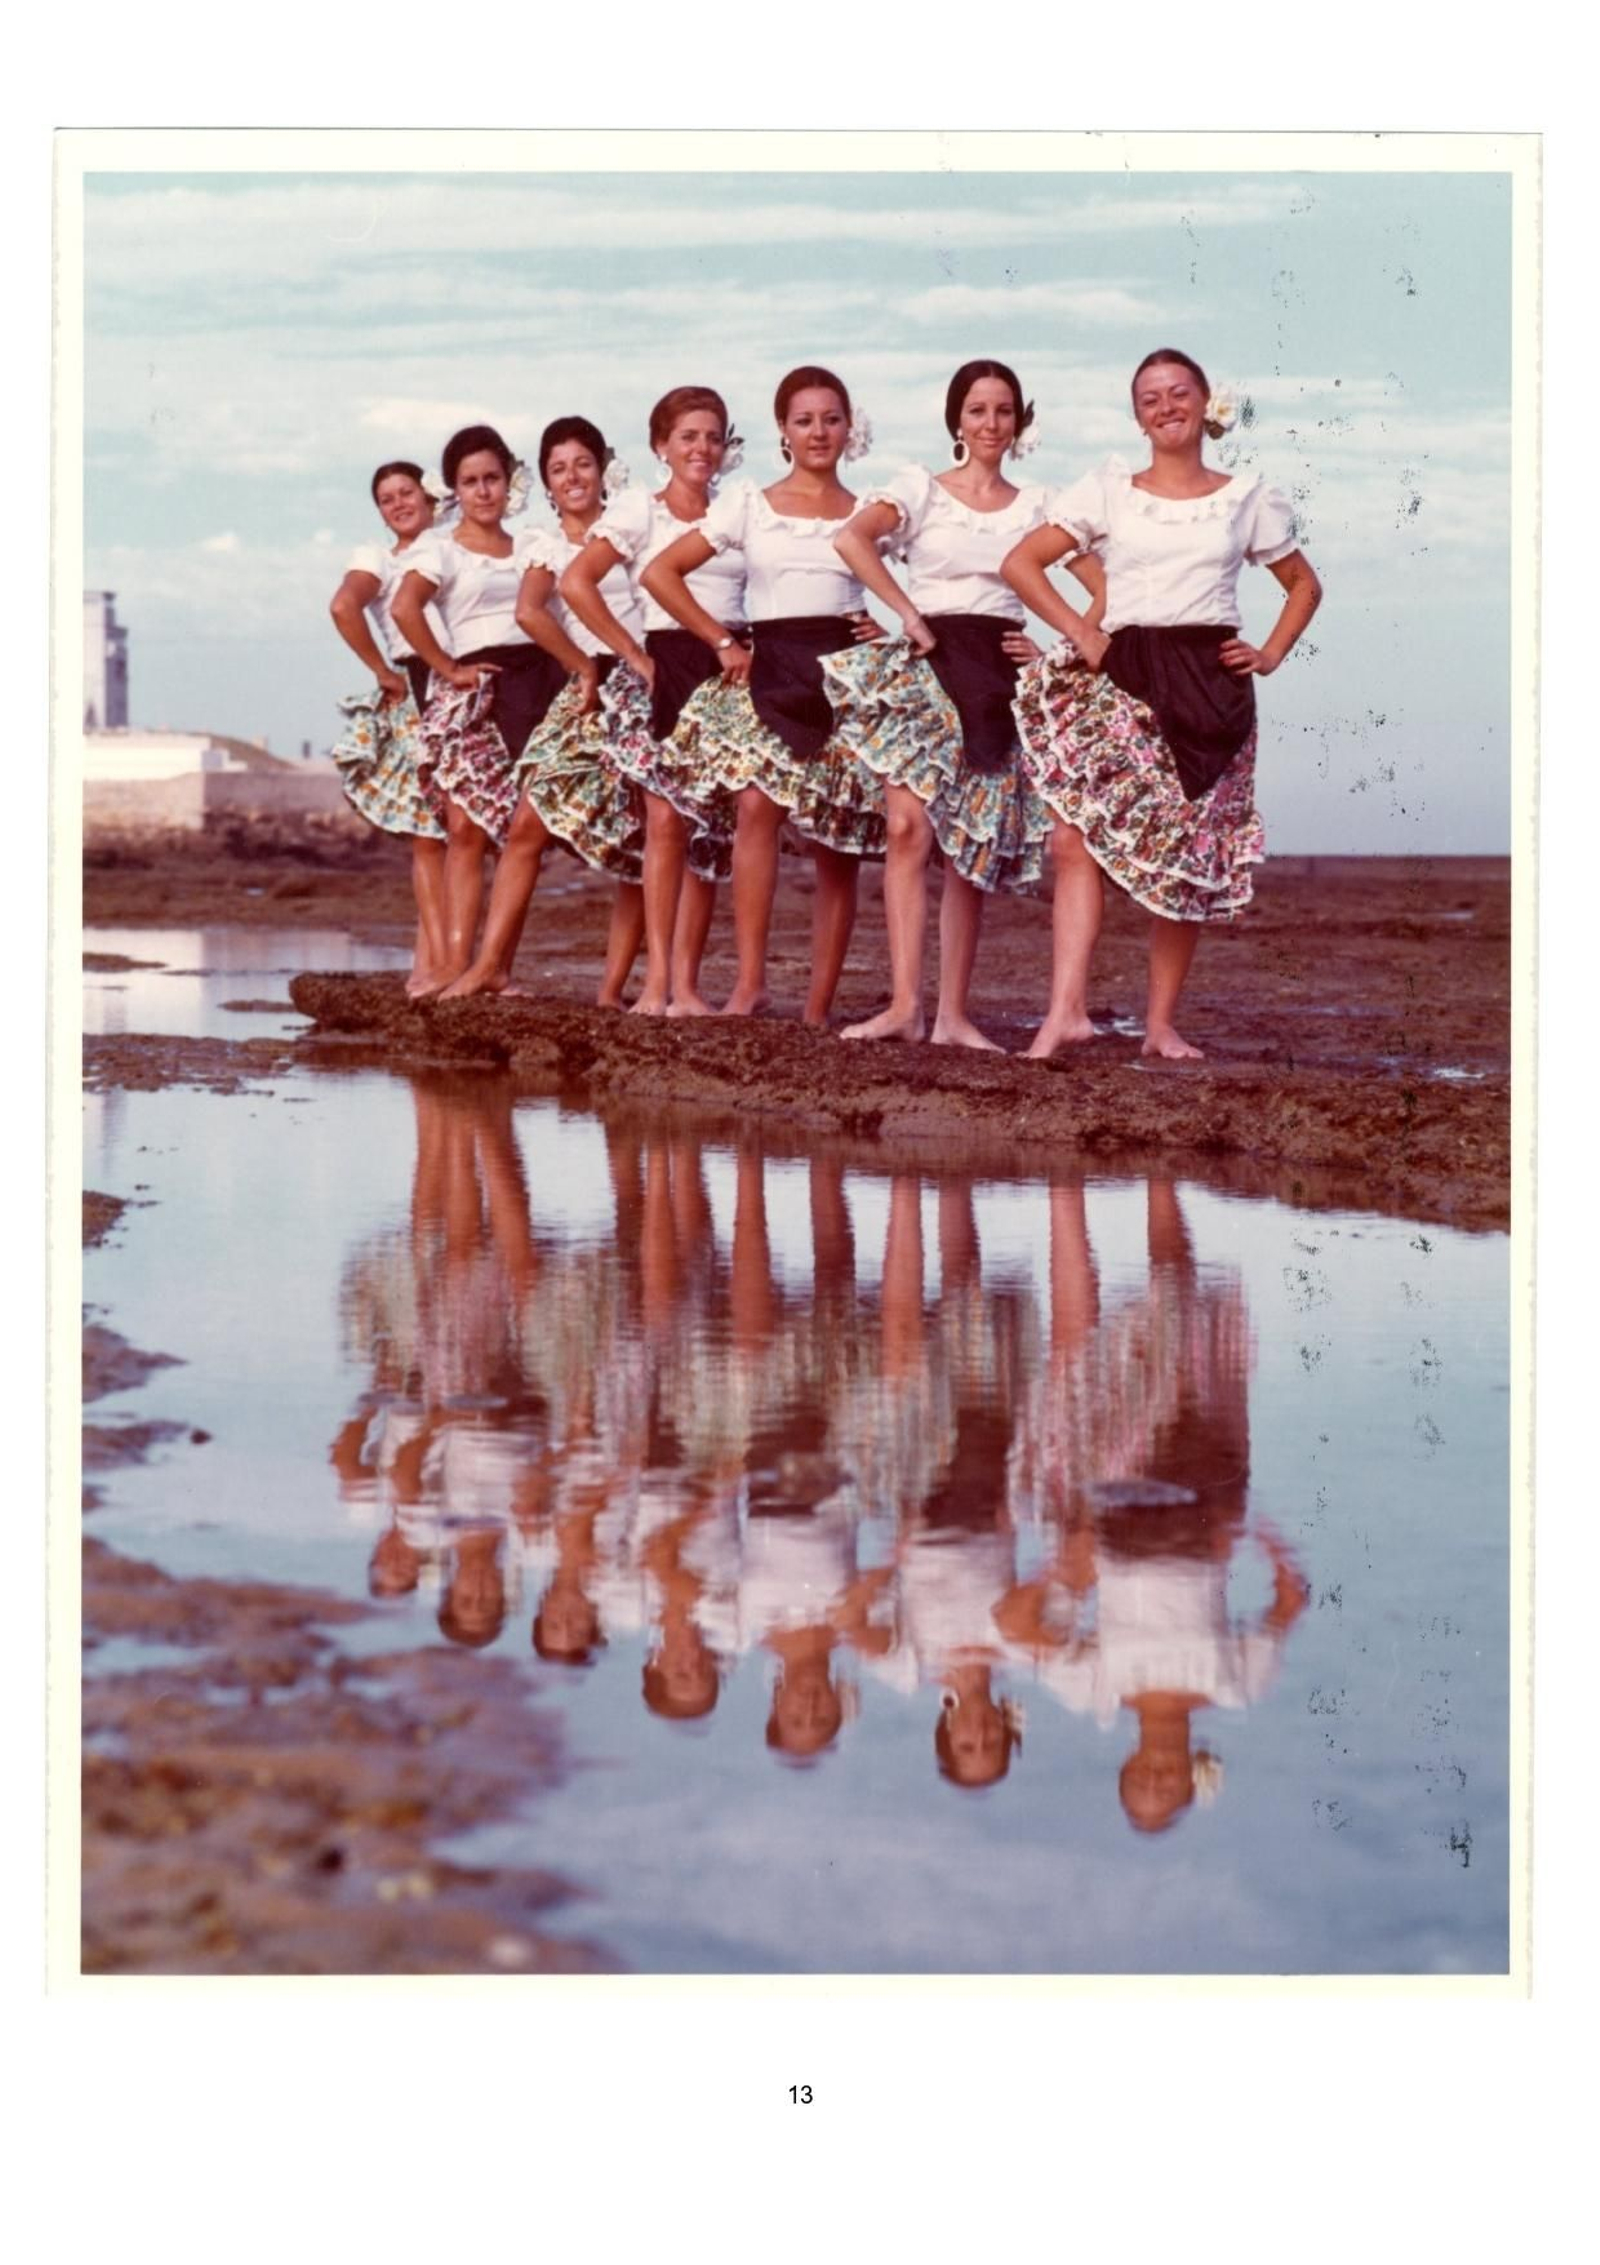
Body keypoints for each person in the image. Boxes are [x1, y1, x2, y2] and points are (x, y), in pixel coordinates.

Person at [1003, 347, 1323, 1060]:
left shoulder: (1248, 496)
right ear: (1137, 414)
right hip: (1122, 667)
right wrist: (1082, 630)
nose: (1166, 405)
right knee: (1071, 837)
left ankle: (1160, 1025)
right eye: (1150, 397)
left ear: (1207, 403)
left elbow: (1304, 585)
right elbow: (1022, 563)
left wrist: (1269, 653)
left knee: (1185, 855)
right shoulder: (1111, 488)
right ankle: (1066, 1013)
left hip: (1209, 680)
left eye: (1180, 392)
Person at [826, 360, 1092, 1048]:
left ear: (1019, 423)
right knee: (908, 829)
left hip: (997, 673)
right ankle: (906, 1005)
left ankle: (952, 1016)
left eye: (1004, 411)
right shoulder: (922, 488)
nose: (991, 424)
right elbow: (852, 538)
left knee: (969, 844)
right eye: (977, 410)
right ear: (956, 420)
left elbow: (1105, 586)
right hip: (927, 661)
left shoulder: (1039, 503)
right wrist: (907, 614)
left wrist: (1060, 648)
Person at [642, 365, 886, 1022]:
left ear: (848, 427)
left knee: (840, 841)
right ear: (783, 430)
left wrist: (889, 625)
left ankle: (817, 1005)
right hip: (771, 666)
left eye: (831, 419)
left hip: (846, 672)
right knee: (755, 805)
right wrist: (721, 641)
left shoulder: (871, 509)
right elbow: (661, 573)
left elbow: (940, 579)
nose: (819, 432)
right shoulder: (750, 501)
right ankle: (750, 984)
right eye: (804, 420)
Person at [434, 417, 647, 1003]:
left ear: (603, 467)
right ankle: (489, 967)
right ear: (546, 484)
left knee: (642, 836)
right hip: (586, 688)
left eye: (582, 463)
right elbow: (530, 613)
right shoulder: (541, 544)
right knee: (527, 824)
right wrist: (582, 666)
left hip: (649, 680)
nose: (573, 476)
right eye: (558, 468)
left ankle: (611, 989)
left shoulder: (635, 523)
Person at [559, 387, 744, 1016]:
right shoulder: (641, 510)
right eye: (688, 436)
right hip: (664, 666)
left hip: (726, 675)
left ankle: (688, 987)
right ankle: (658, 982)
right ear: (661, 446)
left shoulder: (736, 510)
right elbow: (575, 582)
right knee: (664, 823)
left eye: (713, 436)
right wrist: (634, 657)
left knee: (708, 829)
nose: (702, 448)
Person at [391, 424, 567, 995]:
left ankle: (496, 968)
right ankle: (452, 965)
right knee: (465, 828)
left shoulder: (534, 544)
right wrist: (446, 668)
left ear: (508, 482)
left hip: (535, 685)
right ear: (454, 490)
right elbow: (403, 608)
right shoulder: (437, 548)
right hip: (473, 688)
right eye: (470, 482)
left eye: (492, 478)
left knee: (522, 831)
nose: (483, 491)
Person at [328, 461, 449, 997]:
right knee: (429, 836)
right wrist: (381, 671)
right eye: (386, 499)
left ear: (428, 497)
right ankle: (434, 967)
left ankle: (438, 962)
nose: (398, 504)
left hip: (470, 683)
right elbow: (343, 605)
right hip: (418, 689)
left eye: (407, 493)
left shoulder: (453, 547)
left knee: (460, 837)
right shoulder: (377, 558)